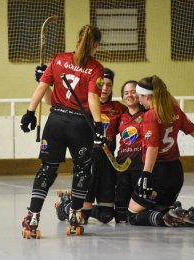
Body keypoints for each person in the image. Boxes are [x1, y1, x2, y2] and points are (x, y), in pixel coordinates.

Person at [19, 25, 105, 237]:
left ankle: (33, 216)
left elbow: (42, 87)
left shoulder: (59, 59)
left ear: (77, 40)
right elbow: (93, 98)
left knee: (47, 169)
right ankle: (75, 214)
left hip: (55, 121)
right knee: (83, 170)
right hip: (80, 125)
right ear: (97, 45)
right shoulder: (96, 68)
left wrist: (29, 113)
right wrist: (97, 125)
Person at [127, 75, 194, 227]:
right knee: (159, 208)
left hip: (158, 173)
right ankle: (188, 216)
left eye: (140, 96)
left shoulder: (150, 116)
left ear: (147, 96)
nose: (139, 101)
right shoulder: (174, 111)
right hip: (176, 173)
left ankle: (169, 219)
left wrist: (146, 175)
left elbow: (153, 148)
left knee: (133, 215)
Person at [81, 68, 127, 224]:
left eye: (109, 85)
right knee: (82, 217)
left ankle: (79, 206)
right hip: (88, 160)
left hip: (108, 160)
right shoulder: (84, 105)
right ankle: (68, 205)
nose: (105, 89)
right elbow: (51, 102)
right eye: (102, 84)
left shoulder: (119, 108)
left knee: (107, 216)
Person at [114, 80, 145, 223]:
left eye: (133, 92)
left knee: (136, 215)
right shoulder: (121, 115)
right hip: (122, 166)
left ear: (140, 95)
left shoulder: (148, 114)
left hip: (140, 165)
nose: (129, 95)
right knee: (120, 216)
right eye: (126, 93)